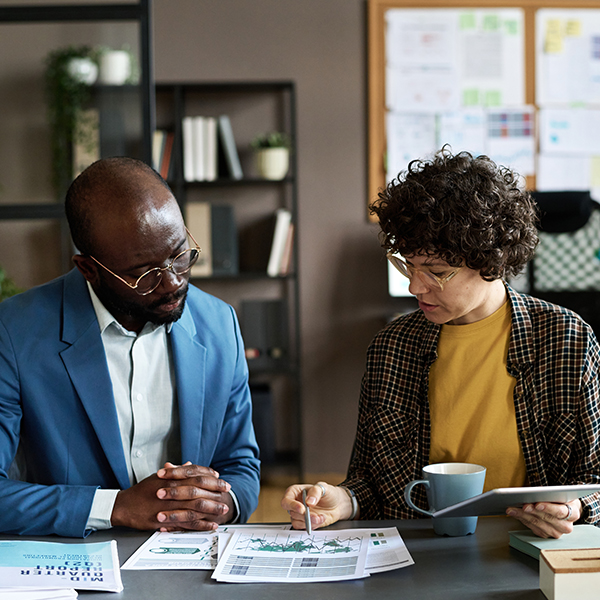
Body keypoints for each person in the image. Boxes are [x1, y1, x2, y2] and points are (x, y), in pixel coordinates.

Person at [283, 148, 600, 539]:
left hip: (529, 550)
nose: (415, 287)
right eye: (407, 266)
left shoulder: (565, 339)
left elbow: (594, 481)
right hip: (421, 553)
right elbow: (369, 483)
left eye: (437, 272)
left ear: (493, 262)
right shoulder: (392, 348)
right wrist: (343, 500)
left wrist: (573, 508)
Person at [0, 157, 260, 537]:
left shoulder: (219, 324)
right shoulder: (14, 332)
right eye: (143, 274)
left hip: (190, 564)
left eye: (179, 254)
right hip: (73, 569)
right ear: (89, 269)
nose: (172, 282)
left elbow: (240, 464)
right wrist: (116, 506)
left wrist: (220, 502)